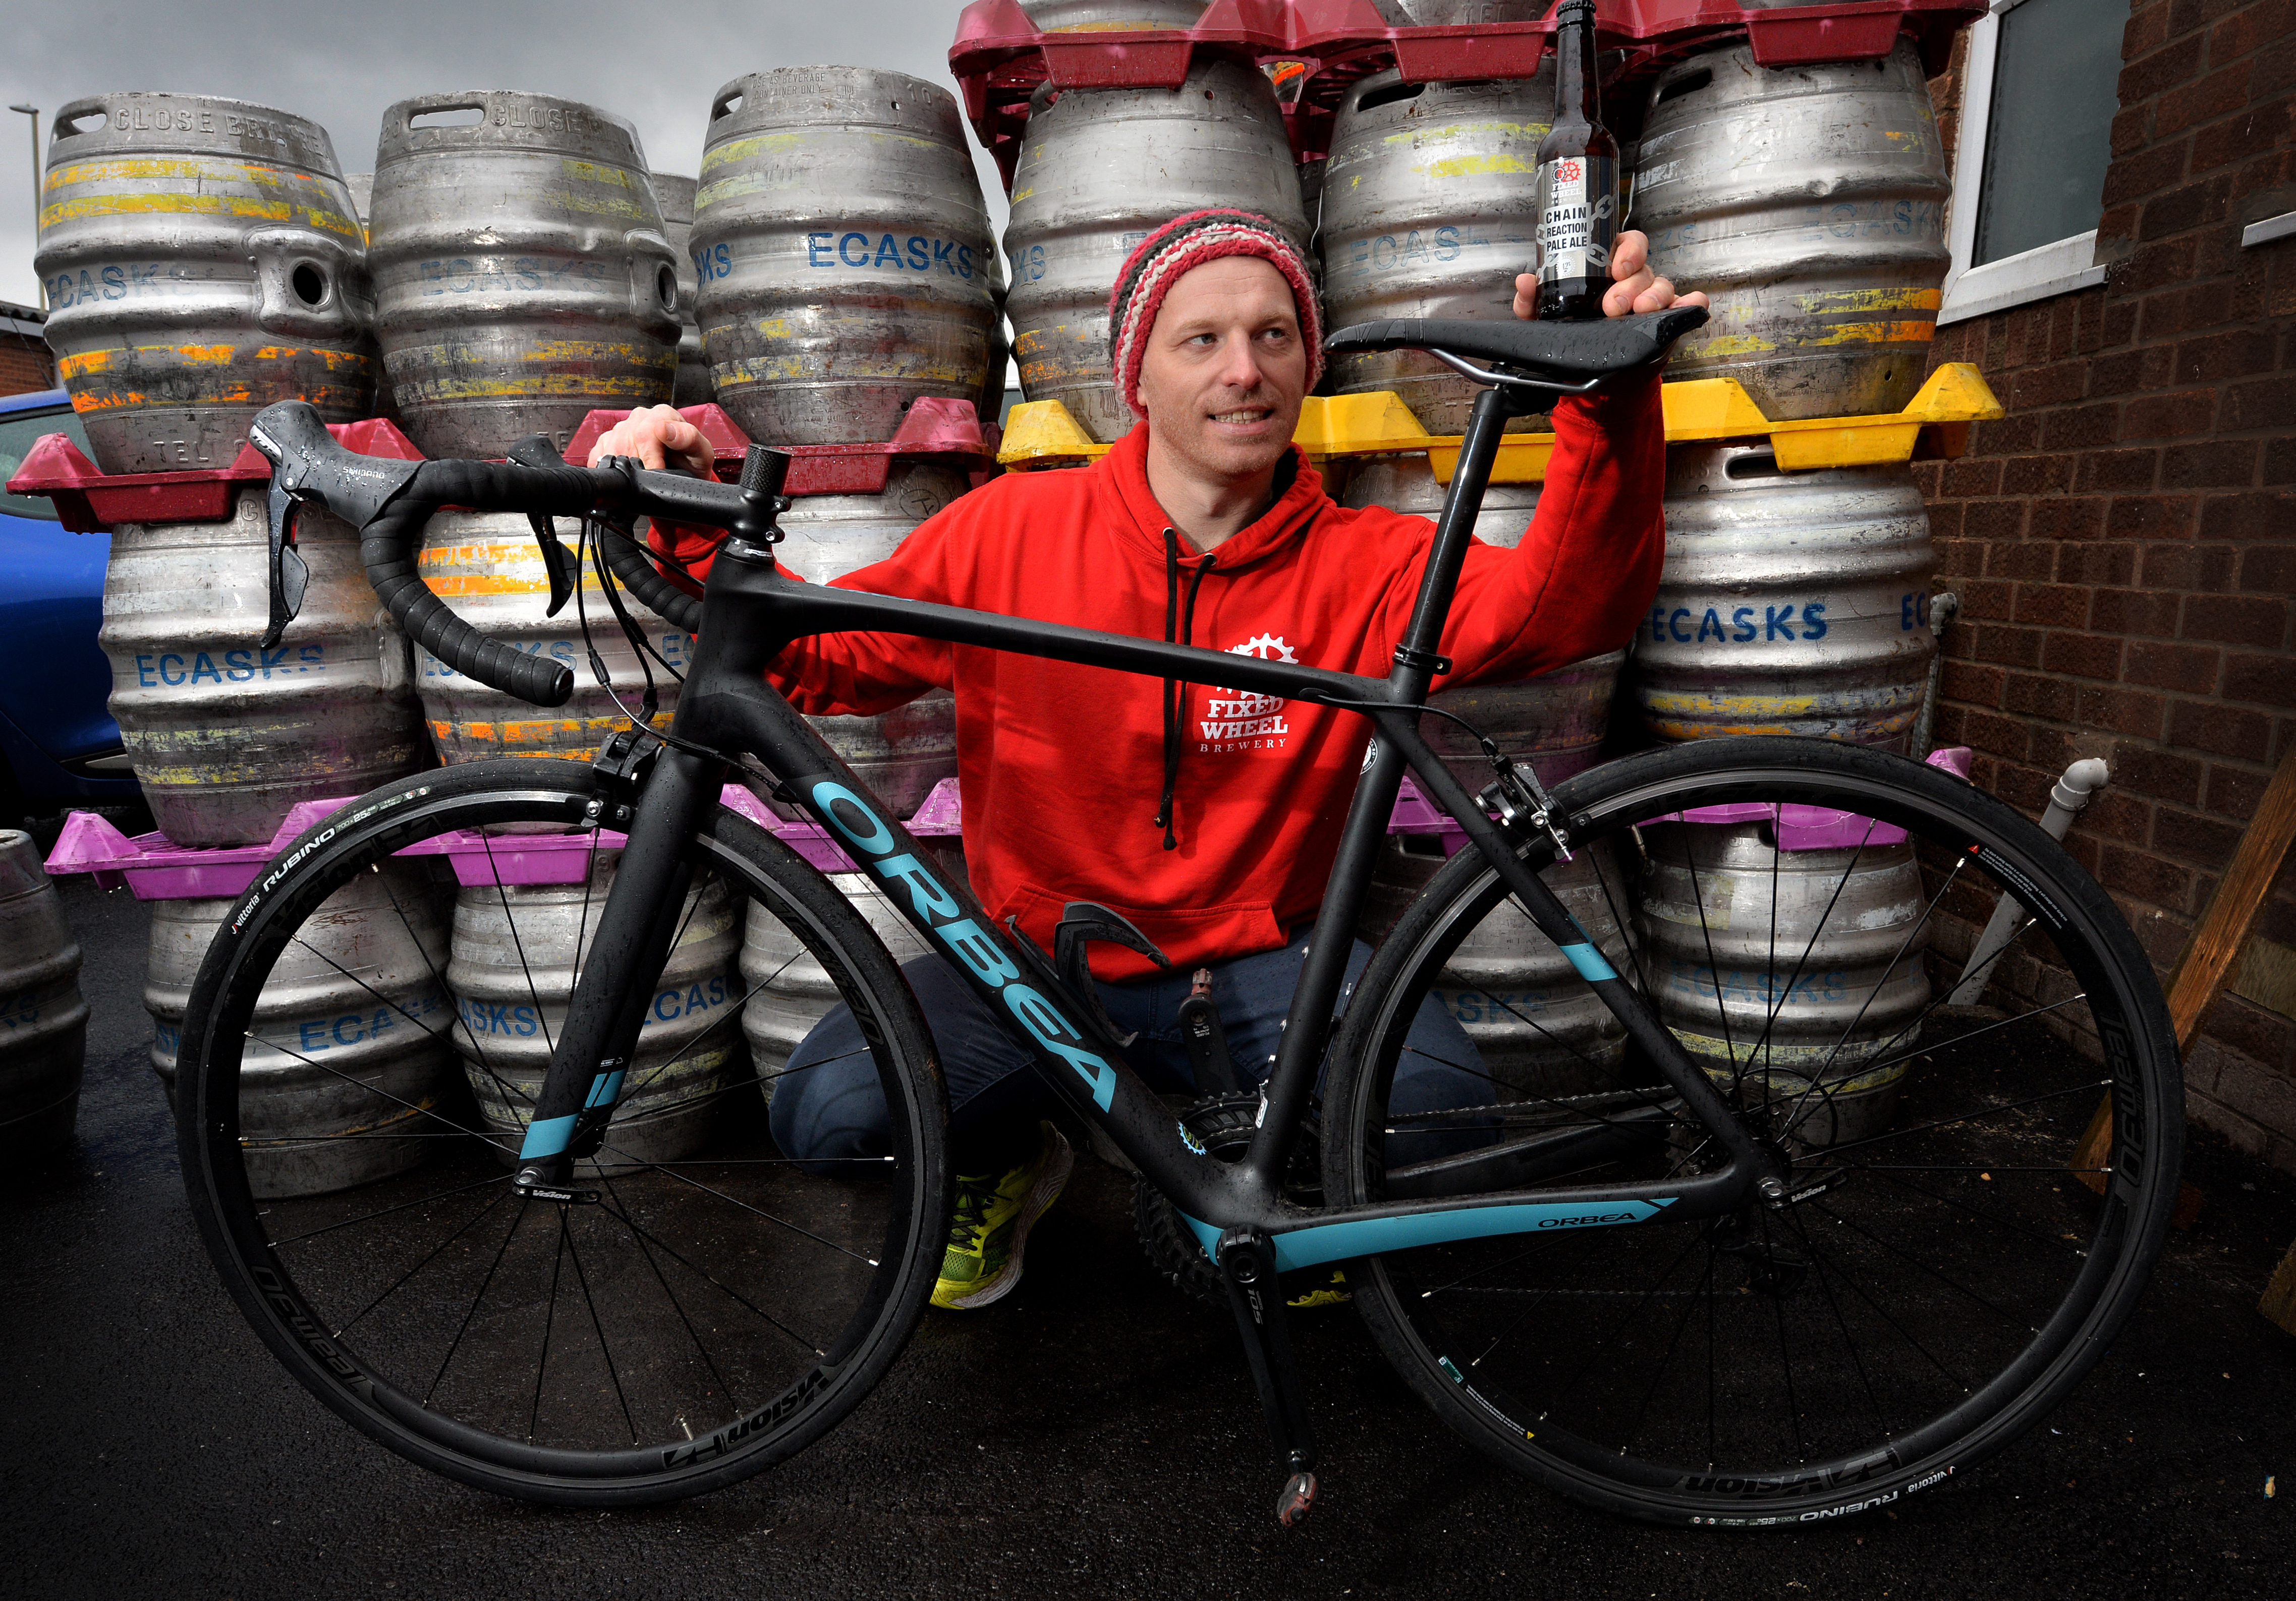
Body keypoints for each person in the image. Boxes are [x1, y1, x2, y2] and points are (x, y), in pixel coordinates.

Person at [590, 210, 1704, 1311]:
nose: (1245, 371)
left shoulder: (1369, 561)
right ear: (1138, 377)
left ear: (1308, 363)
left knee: (1430, 1121)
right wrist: (689, 511)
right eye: (1202, 340)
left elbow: (1568, 609)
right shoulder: (1008, 531)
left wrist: (1606, 400)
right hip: (1034, 963)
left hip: (1268, 966)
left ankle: (1266, 1172)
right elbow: (824, 658)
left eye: (1275, 336)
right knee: (833, 1110)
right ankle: (1010, 1158)